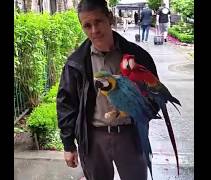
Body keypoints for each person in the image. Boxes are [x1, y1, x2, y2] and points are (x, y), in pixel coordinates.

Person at [56, 0, 159, 180]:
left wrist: (140, 112)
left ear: (109, 18)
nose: (94, 30)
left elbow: (155, 96)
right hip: (93, 138)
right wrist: (68, 145)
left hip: (131, 136)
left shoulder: (138, 56)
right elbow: (66, 103)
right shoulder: (76, 63)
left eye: (98, 22)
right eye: (87, 25)